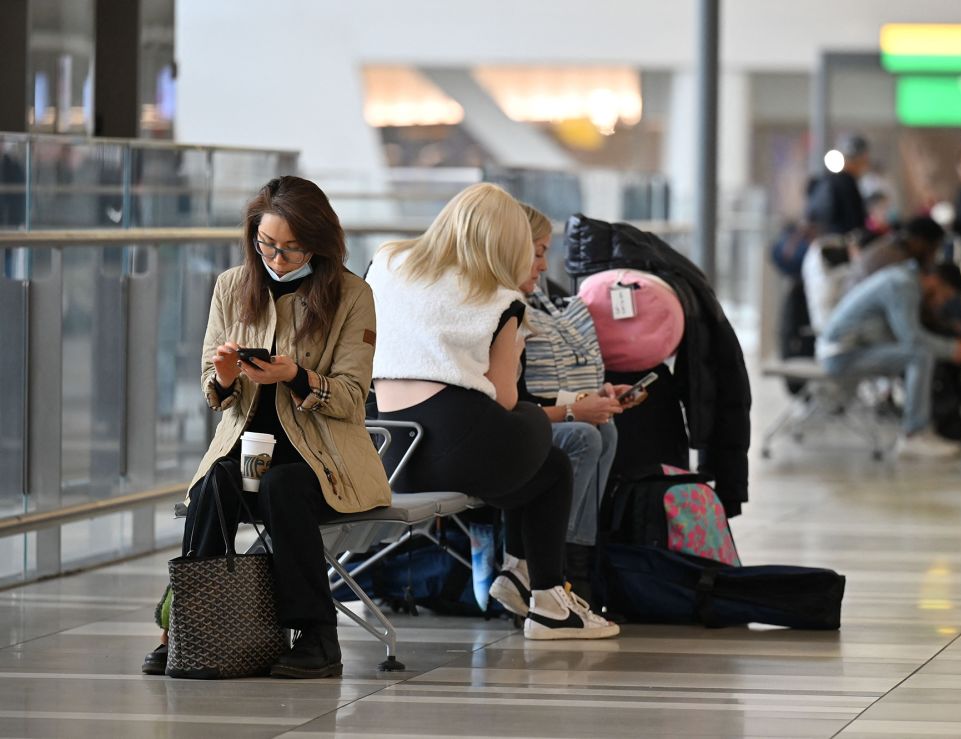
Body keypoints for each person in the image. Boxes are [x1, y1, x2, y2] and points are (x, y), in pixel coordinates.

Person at [141, 176, 391, 679]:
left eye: (291, 249)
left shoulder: (352, 295)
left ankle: (319, 637)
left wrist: (294, 375)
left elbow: (350, 397)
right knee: (215, 485)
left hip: (326, 465)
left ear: (318, 243)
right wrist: (228, 376)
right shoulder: (233, 286)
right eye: (267, 245)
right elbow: (212, 390)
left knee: (285, 486)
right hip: (244, 448)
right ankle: (189, 629)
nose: (276, 259)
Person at [367, 183, 619, 640]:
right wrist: (518, 348)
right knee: (529, 424)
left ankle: (527, 581)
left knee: (553, 469)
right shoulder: (501, 300)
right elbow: (503, 400)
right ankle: (546, 600)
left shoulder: (387, 262)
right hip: (460, 446)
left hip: (391, 451)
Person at [500, 204, 645, 607]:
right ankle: (553, 572)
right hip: (486, 437)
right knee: (584, 435)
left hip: (485, 428)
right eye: (539, 251)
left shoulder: (529, 303)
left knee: (602, 429)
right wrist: (572, 411)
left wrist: (583, 402)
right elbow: (506, 407)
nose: (545, 266)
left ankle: (567, 572)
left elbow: (517, 400)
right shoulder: (505, 312)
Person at [817, 261, 961, 458]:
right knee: (919, 356)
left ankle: (920, 429)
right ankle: (914, 435)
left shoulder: (900, 278)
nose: (940, 304)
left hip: (846, 350)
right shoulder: (902, 285)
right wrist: (952, 350)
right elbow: (912, 338)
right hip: (841, 355)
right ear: (936, 281)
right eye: (945, 297)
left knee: (919, 354)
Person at [807, 134, 870, 236]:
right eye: (864, 159)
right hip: (840, 242)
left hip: (825, 239)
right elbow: (854, 223)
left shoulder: (828, 179)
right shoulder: (846, 182)